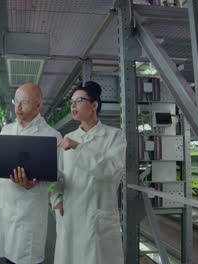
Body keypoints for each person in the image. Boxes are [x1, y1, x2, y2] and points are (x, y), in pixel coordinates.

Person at [0, 83, 62, 264]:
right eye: (16, 102)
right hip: (6, 208)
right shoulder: (7, 130)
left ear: (38, 104)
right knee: (7, 258)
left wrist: (34, 184)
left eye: (25, 102)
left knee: (25, 259)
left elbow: (57, 173)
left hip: (29, 212)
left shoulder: (51, 136)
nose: (18, 108)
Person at [51, 81, 126, 264]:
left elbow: (112, 171)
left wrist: (79, 148)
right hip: (69, 216)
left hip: (97, 216)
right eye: (71, 102)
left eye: (79, 100)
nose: (73, 105)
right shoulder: (69, 139)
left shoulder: (114, 136)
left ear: (94, 105)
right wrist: (56, 200)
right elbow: (58, 175)